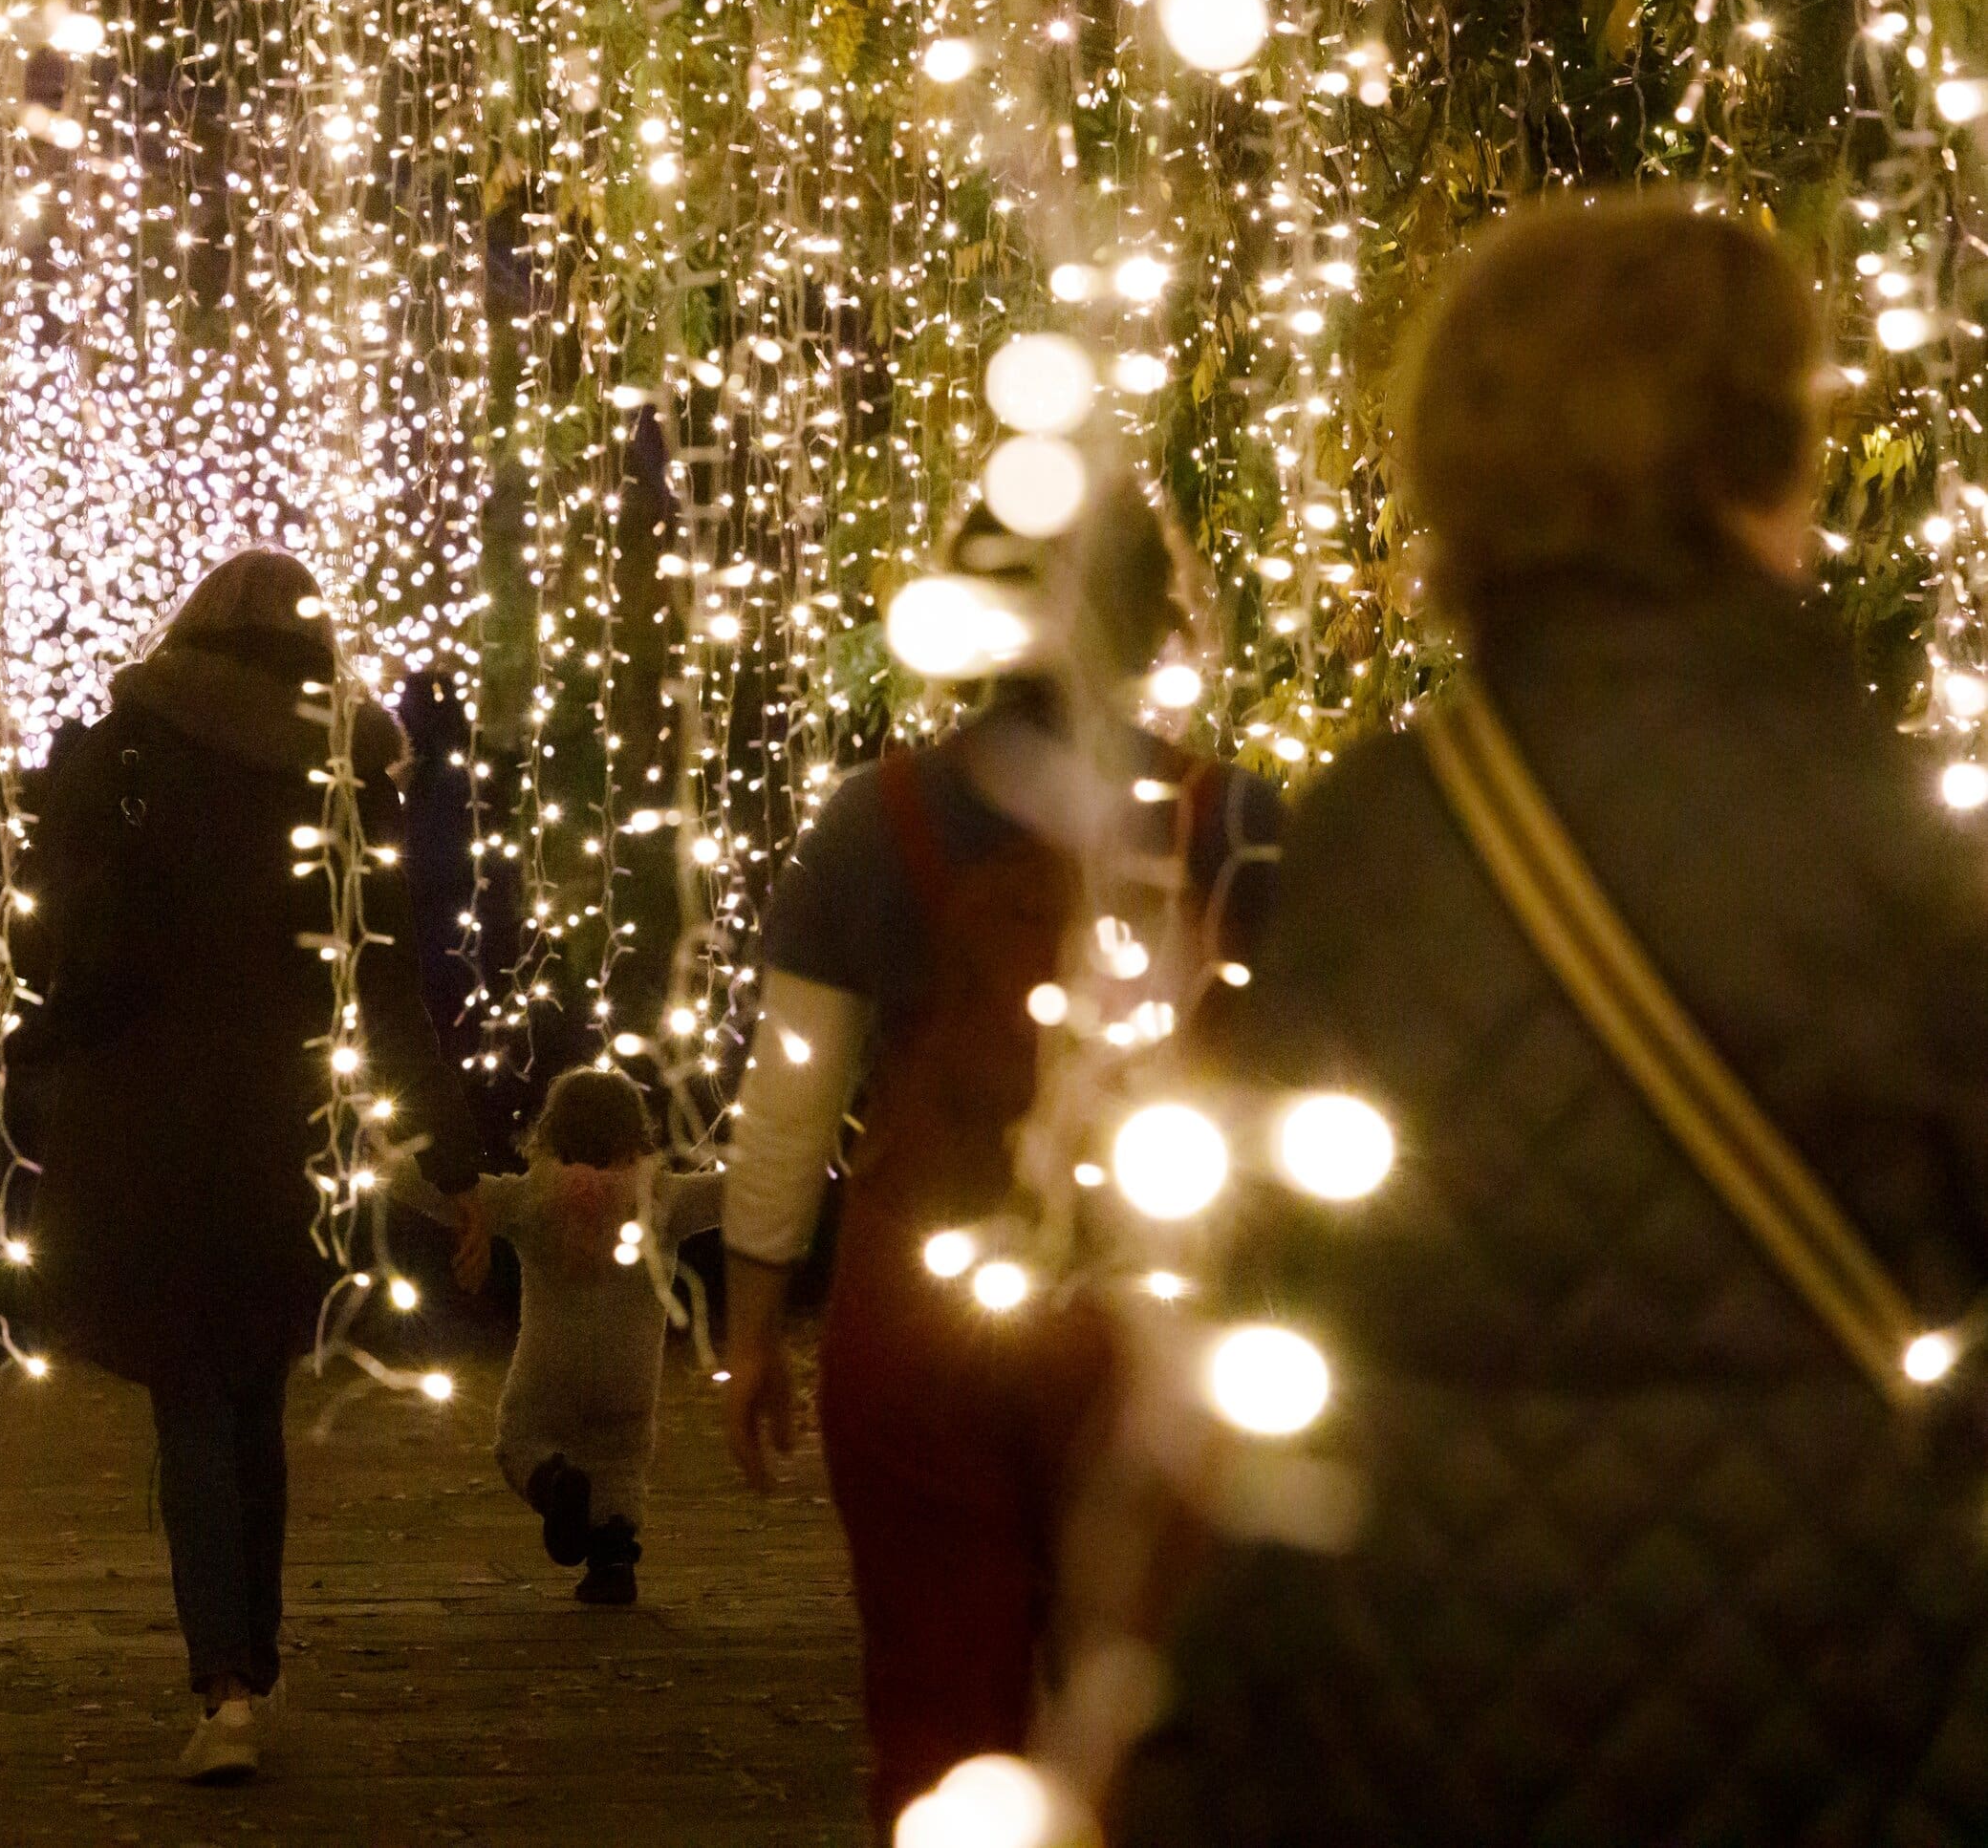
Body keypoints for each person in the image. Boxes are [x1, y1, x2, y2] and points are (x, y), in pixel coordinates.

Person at [1104, 194, 1988, 1845]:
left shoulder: (1382, 821)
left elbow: (1279, 1307)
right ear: (1753, 454)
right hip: (1836, 1692)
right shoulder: (1905, 834)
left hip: (1410, 1688)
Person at [715, 480, 1280, 1829]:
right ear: (1157, 617)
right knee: (1148, 1706)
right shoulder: (1237, 818)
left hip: (923, 1309)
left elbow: (790, 1095)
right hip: (1156, 1309)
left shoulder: (878, 818)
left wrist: (752, 1326)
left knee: (938, 1715)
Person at [13, 548, 488, 1787]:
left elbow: (64, 944)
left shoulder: (121, 753)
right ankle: (248, 1664)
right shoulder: (343, 770)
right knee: (253, 1385)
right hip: (288, 1115)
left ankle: (224, 1675)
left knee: (187, 1388)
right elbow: (385, 972)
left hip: (149, 1110)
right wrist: (451, 1147)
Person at [396, 1064, 724, 1605]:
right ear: (636, 1130)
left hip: (548, 1370)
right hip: (631, 1376)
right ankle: (612, 1561)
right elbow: (732, 1193)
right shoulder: (665, 1199)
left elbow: (436, 1191)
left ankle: (552, 1483)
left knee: (518, 1438)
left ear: (551, 1128)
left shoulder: (530, 1198)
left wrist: (386, 1160)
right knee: (622, 1461)